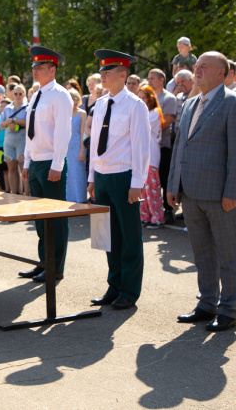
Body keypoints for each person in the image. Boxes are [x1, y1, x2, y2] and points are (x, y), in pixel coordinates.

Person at [167, 52, 236, 332]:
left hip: (218, 194)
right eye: (196, 66)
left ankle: (228, 309)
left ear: (222, 73)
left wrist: (232, 191)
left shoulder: (235, 103)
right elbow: (180, 147)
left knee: (227, 254)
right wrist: (173, 185)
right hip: (190, 192)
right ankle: (206, 303)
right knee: (202, 253)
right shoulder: (190, 103)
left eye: (204, 66)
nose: (197, 70)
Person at [87, 50, 150, 310]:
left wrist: (138, 182)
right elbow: (94, 144)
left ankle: (129, 290)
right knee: (106, 236)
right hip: (101, 176)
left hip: (123, 177)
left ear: (123, 75)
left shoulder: (135, 105)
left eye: (107, 73)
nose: (102, 77)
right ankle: (114, 286)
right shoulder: (101, 103)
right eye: (101, 72)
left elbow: (141, 146)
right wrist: (91, 176)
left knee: (128, 237)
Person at [19, 46, 73, 282]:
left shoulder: (60, 95)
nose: (35, 71)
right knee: (40, 218)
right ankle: (43, 262)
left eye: (40, 68)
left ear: (52, 70)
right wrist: (27, 161)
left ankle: (55, 267)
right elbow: (31, 134)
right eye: (34, 67)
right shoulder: (36, 95)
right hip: (37, 162)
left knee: (56, 218)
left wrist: (57, 164)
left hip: (51, 161)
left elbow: (63, 133)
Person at [147, 69, 178, 224]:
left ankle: (168, 209)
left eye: (152, 78)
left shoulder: (168, 98)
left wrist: (146, 128)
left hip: (163, 144)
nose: (149, 81)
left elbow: (165, 123)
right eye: (148, 78)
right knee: (150, 182)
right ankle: (150, 211)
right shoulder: (148, 97)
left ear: (161, 80)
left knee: (165, 178)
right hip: (148, 146)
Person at [137, 85, 164, 227]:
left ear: (150, 99)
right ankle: (146, 215)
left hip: (151, 155)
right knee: (143, 188)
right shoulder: (144, 112)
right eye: (139, 97)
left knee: (152, 188)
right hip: (141, 156)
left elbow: (141, 128)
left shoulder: (154, 113)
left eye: (143, 97)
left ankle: (158, 217)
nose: (141, 100)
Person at [0, 84, 28, 195]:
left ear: (24, 94)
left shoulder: (28, 107)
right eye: (16, 93)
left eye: (20, 93)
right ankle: (14, 193)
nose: (18, 96)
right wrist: (9, 122)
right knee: (11, 167)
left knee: (23, 166)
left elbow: (29, 122)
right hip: (9, 139)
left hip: (22, 137)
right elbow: (1, 124)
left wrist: (14, 120)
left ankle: (27, 193)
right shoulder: (7, 108)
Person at [65, 89, 88, 203]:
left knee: (78, 174)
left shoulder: (82, 113)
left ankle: (80, 199)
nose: (73, 103)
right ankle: (68, 198)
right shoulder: (64, 113)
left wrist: (82, 150)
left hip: (78, 146)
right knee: (68, 174)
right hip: (66, 147)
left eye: (75, 100)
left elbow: (83, 133)